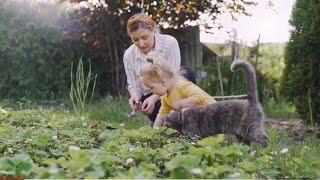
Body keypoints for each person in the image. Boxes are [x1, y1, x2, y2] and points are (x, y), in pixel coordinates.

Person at [123, 13, 195, 123]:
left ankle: (188, 118)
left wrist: (155, 97)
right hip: (150, 96)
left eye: (144, 38)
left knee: (187, 73)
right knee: (166, 126)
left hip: (172, 90)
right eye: (136, 40)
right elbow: (133, 84)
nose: (141, 44)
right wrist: (135, 97)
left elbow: (174, 76)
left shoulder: (170, 43)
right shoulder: (129, 55)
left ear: (154, 31)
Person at [139, 61, 216, 127]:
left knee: (182, 113)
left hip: (214, 114)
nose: (152, 92)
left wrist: (181, 103)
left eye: (152, 88)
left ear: (163, 82)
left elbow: (199, 97)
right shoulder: (165, 97)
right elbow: (162, 115)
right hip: (199, 120)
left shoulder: (181, 85)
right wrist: (154, 131)